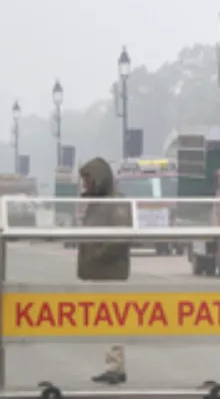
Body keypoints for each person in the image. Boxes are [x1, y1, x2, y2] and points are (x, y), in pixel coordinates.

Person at [78, 157, 132, 385]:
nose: (85, 185)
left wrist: (98, 256)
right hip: (100, 272)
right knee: (105, 322)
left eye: (88, 179)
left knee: (113, 321)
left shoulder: (115, 203)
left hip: (111, 272)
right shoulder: (97, 202)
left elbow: (121, 237)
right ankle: (112, 365)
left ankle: (115, 368)